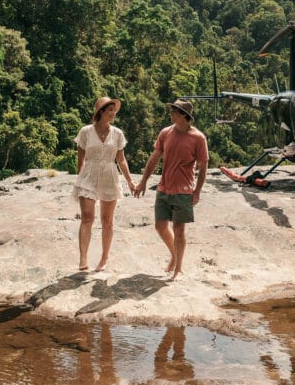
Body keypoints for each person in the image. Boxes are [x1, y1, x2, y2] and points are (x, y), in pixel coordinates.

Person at [133, 99, 208, 281]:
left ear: (183, 115)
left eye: (174, 111)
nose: (171, 113)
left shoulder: (198, 138)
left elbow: (203, 165)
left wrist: (197, 191)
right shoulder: (166, 133)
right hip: (164, 188)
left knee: (179, 229)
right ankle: (174, 255)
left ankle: (178, 269)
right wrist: (143, 181)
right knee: (160, 226)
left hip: (183, 190)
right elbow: (154, 157)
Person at [72, 96, 136, 272]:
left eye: (114, 110)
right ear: (100, 112)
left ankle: (103, 258)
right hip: (89, 175)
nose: (113, 113)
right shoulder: (86, 131)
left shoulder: (117, 134)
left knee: (107, 221)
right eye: (109, 110)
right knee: (87, 217)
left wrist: (130, 181)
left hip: (110, 176)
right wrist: (81, 178)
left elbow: (121, 160)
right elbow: (80, 158)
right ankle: (83, 258)